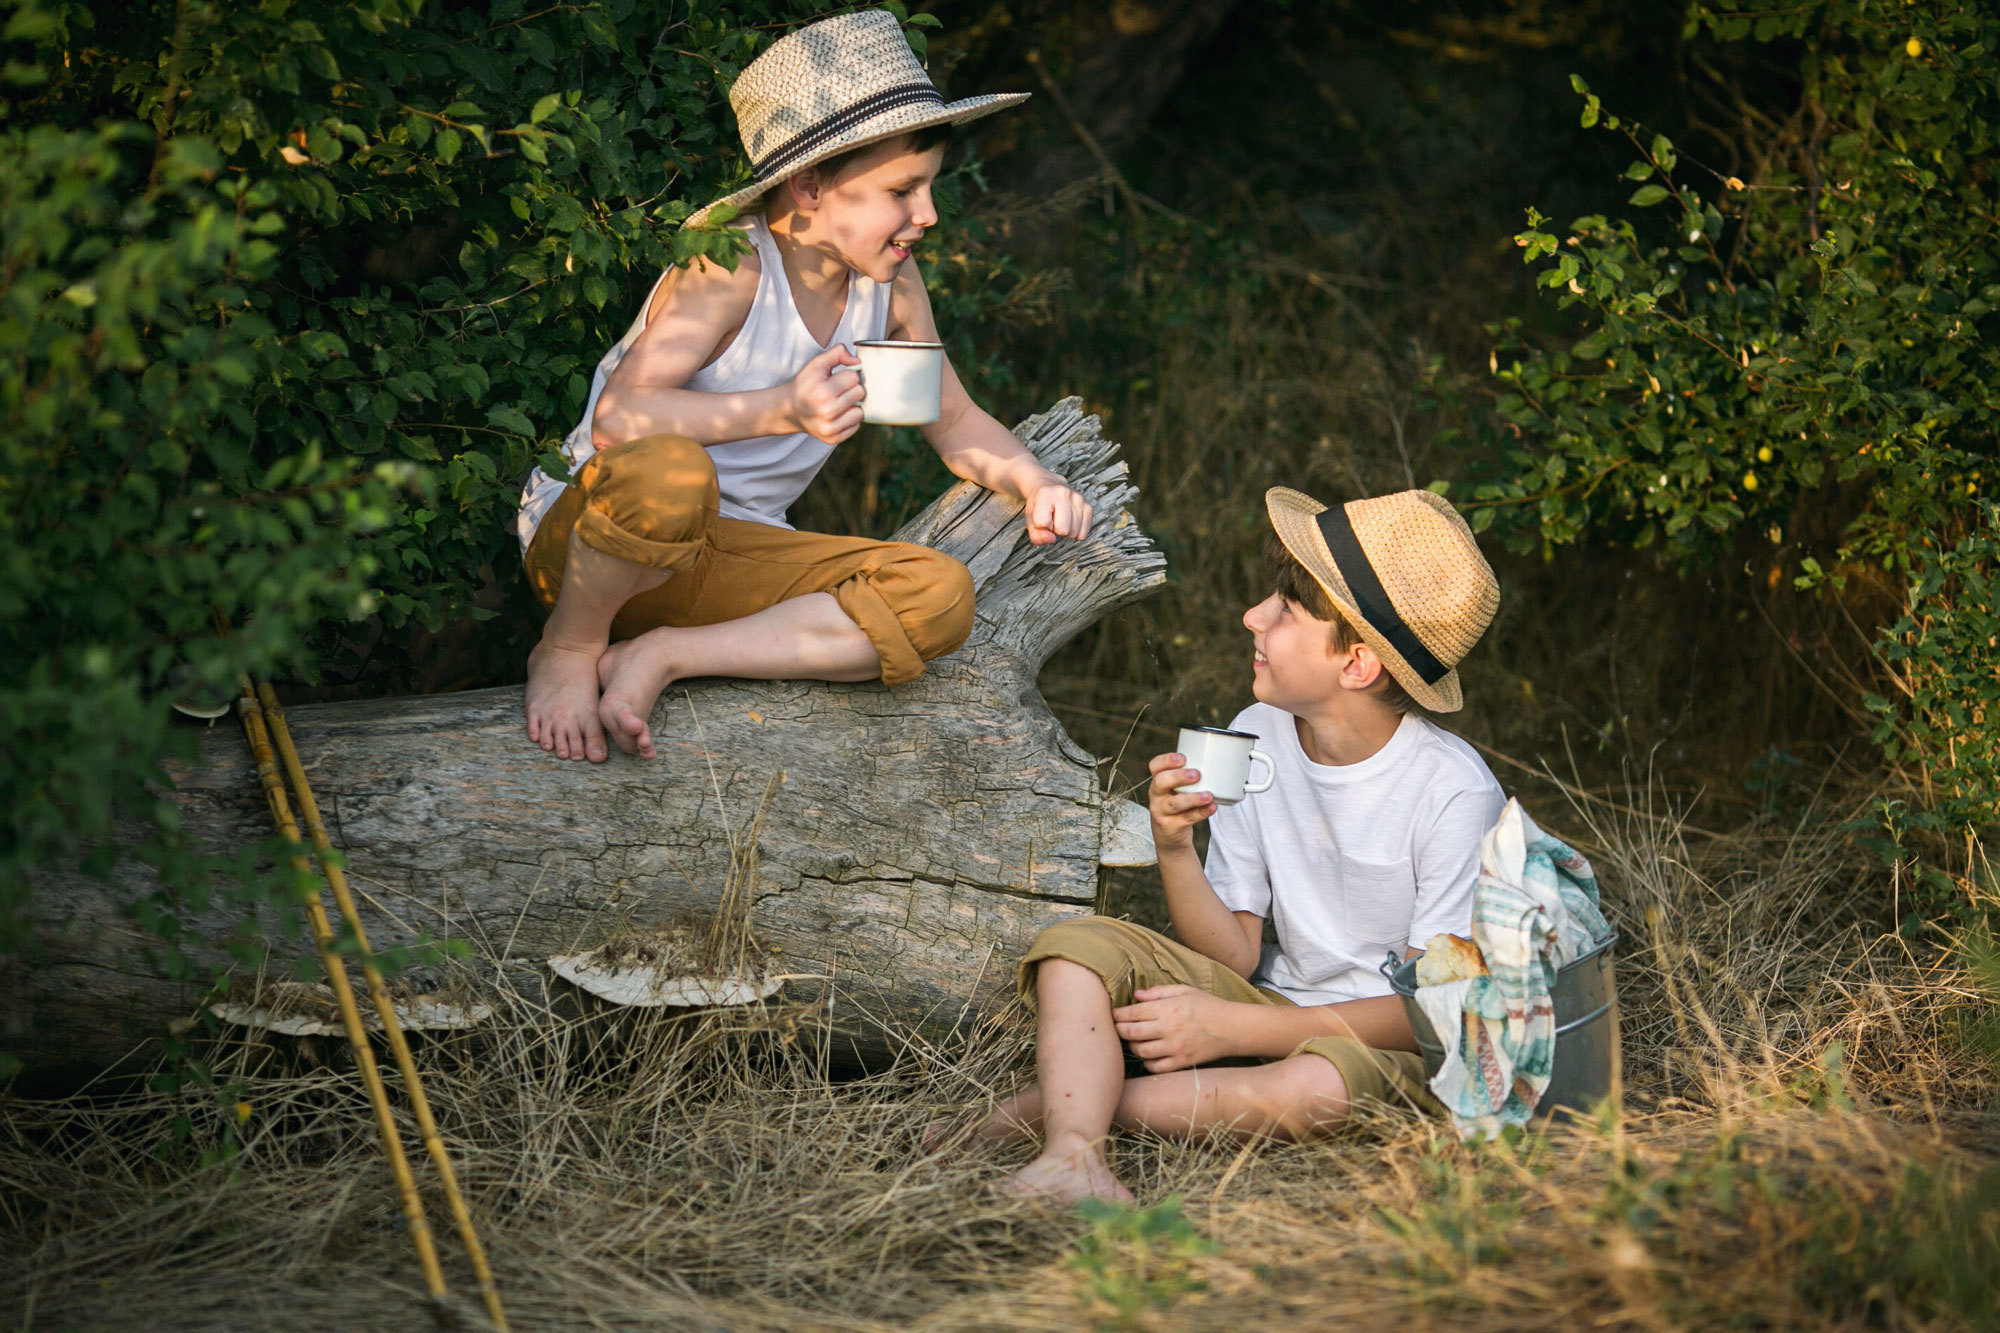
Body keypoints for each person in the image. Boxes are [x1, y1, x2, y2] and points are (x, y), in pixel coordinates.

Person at [517, 9, 1093, 763]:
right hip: (598, 543)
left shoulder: (888, 285)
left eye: (930, 189)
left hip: (729, 558)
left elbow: (948, 418)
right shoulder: (731, 269)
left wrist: (1033, 477)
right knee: (671, 471)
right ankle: (568, 649)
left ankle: (662, 654)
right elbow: (620, 419)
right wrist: (781, 407)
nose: (928, 214)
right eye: (903, 190)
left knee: (941, 594)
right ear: (811, 184)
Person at [979, 486, 1506, 1203]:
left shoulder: (1453, 793)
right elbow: (1232, 953)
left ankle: (1067, 1101)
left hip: (1377, 1046)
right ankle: (1075, 1154)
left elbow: (1429, 1013)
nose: (1252, 615)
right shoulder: (1256, 732)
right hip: (1264, 1003)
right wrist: (1174, 846)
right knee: (1075, 950)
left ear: (1357, 664)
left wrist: (1233, 1026)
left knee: (1314, 1087)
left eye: (1286, 611)